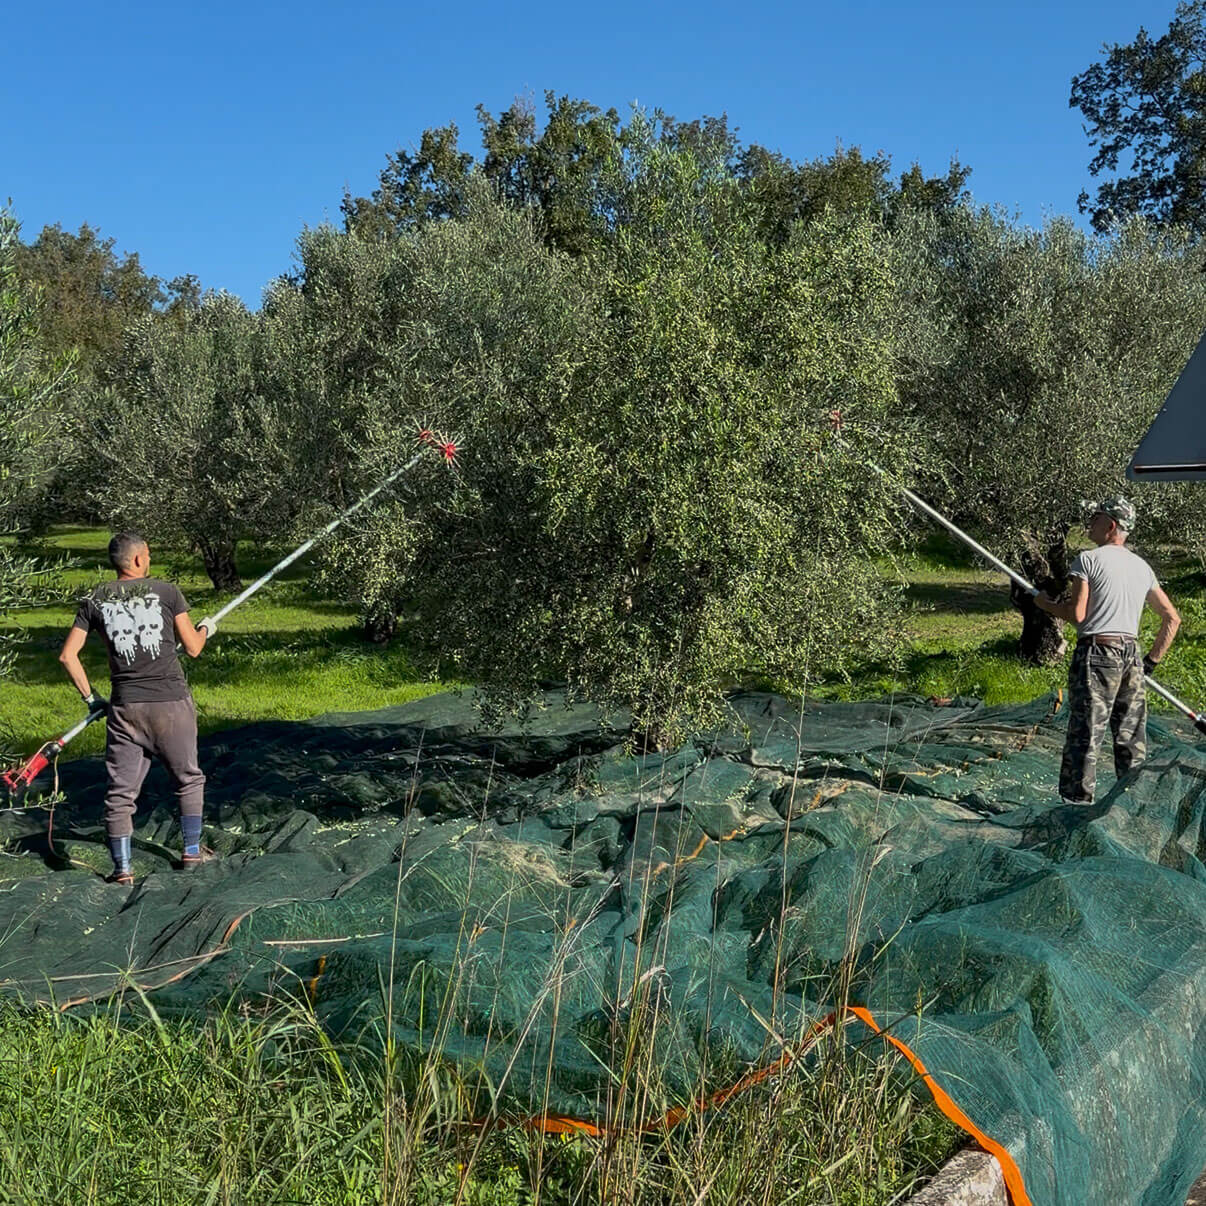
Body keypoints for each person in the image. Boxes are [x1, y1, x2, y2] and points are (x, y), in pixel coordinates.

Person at [58, 531, 218, 884]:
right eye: (147, 554)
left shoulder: (94, 599)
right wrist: (207, 627)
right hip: (170, 703)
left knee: (120, 793)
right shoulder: (166, 592)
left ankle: (122, 870)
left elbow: (68, 656)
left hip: (125, 708)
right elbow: (192, 647)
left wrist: (91, 698)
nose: (149, 559)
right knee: (188, 778)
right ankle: (191, 851)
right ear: (137, 559)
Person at [1034, 498, 1180, 805]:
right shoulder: (1142, 568)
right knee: (1131, 738)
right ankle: (1131, 806)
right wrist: (1150, 662)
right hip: (1131, 654)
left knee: (1086, 734)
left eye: (1096, 518)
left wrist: (1044, 603)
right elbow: (1172, 618)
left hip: (1097, 653)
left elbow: (1077, 614)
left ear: (1111, 525)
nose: (1090, 522)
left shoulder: (1088, 560)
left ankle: (1075, 807)